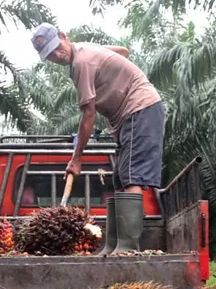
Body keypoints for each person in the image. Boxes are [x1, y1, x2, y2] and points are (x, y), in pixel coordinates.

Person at [31, 22, 166, 256]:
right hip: (129, 117)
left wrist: (76, 159)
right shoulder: (87, 51)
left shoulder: (81, 63)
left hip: (140, 108)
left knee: (132, 175)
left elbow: (88, 115)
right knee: (120, 178)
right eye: (50, 55)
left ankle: (127, 247)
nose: (56, 55)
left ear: (64, 35)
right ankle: (113, 245)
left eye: (56, 47)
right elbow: (123, 51)